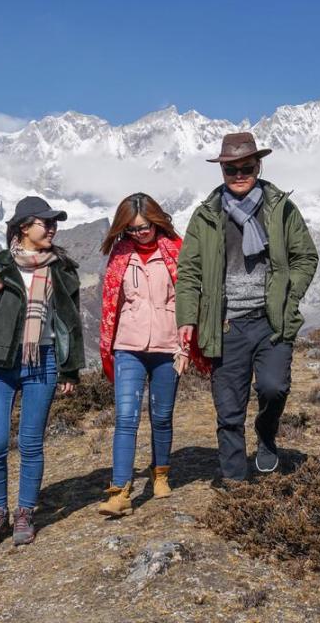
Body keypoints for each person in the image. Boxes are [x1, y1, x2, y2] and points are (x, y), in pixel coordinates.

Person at [175, 132, 318, 484]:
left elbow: (306, 257)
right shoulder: (206, 215)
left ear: (258, 165)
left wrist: (288, 295)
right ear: (222, 171)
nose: (239, 175)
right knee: (228, 408)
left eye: (246, 167)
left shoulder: (280, 208)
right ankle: (235, 479)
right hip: (224, 325)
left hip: (271, 321)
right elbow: (190, 270)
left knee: (273, 388)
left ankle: (267, 435)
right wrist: (187, 318)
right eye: (231, 169)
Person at [0, 195, 84, 548]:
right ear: (22, 228)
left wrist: (70, 371)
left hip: (44, 362)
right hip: (0, 364)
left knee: (32, 444)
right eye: (44, 222)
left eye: (53, 223)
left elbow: (71, 323)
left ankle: (25, 512)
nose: (51, 228)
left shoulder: (62, 268)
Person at [96, 193, 208, 517]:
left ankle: (161, 474)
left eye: (144, 227)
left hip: (166, 345)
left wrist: (185, 349)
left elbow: (190, 303)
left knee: (161, 415)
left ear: (156, 221)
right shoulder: (120, 254)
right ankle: (120, 491)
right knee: (125, 417)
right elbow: (110, 304)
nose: (139, 234)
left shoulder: (176, 249)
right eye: (131, 230)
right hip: (128, 345)